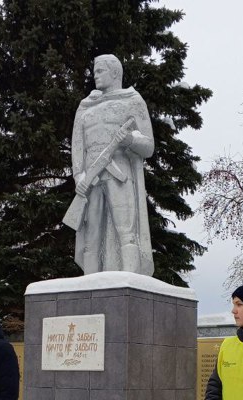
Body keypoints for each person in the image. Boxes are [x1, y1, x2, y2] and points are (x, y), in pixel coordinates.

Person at [68, 53, 154, 276]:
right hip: (90, 178)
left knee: (126, 230)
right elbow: (77, 146)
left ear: (115, 72)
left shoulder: (132, 100)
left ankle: (130, 279)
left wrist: (130, 140)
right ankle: (90, 281)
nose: (94, 75)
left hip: (119, 174)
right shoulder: (86, 106)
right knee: (91, 235)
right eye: (94, 71)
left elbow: (149, 146)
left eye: (100, 71)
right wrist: (79, 176)